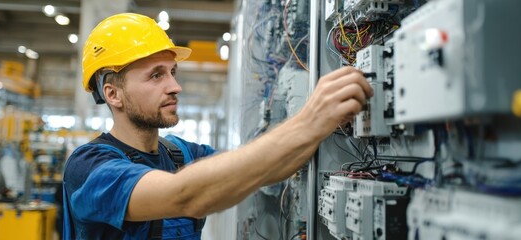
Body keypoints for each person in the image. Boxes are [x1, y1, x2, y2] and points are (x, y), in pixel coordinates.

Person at [62, 13, 373, 240]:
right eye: (156, 75)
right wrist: (308, 122)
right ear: (112, 94)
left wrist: (324, 123)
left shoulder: (181, 154)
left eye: (173, 72)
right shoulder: (90, 168)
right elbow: (183, 196)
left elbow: (260, 169)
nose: (175, 87)